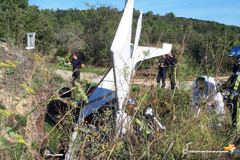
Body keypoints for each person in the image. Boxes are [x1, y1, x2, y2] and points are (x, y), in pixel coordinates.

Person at [225, 48, 240, 131]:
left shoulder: (239, 68)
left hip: (237, 96)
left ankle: (237, 136)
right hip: (236, 95)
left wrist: (232, 96)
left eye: (234, 57)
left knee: (237, 116)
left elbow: (237, 83)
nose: (233, 60)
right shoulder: (237, 68)